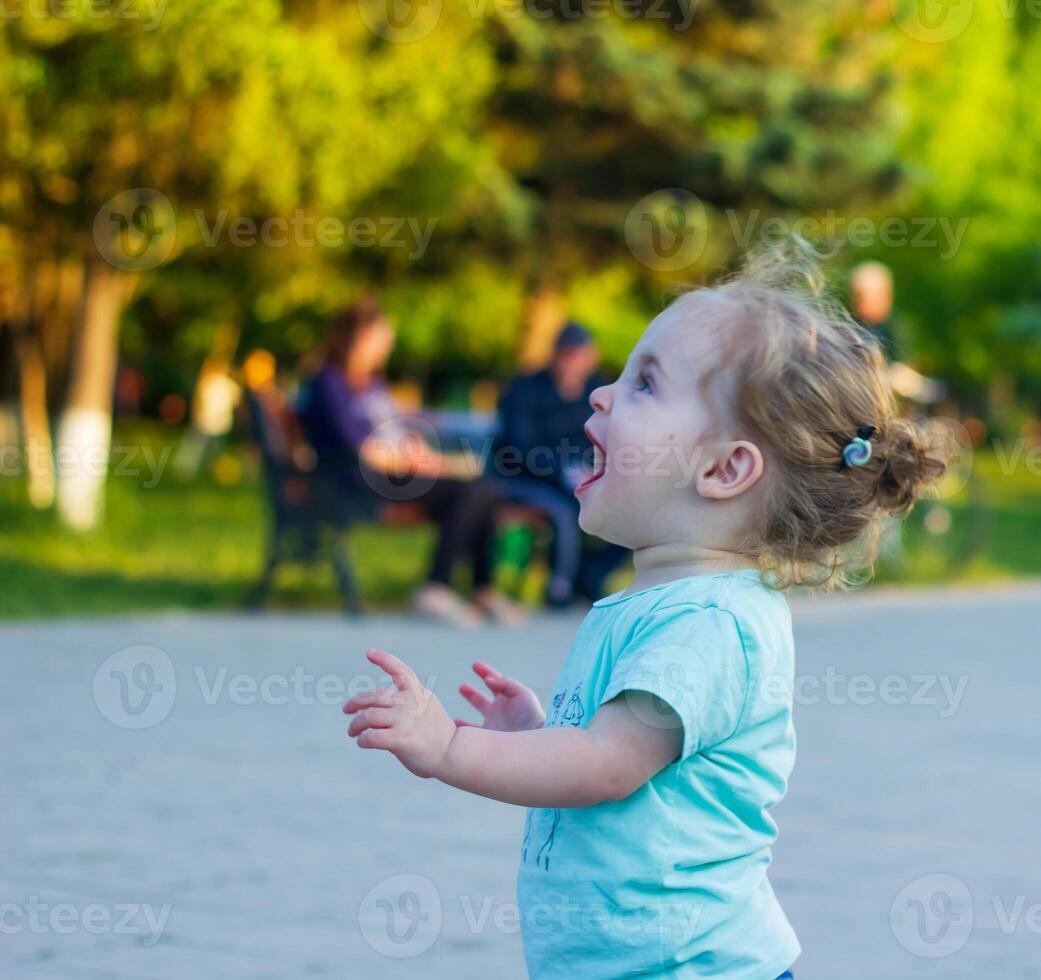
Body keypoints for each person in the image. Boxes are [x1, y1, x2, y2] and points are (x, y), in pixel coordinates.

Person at [340, 243, 946, 978]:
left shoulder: (709, 626)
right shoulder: (665, 604)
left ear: (723, 470)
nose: (601, 394)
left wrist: (449, 750)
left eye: (645, 384)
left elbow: (602, 766)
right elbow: (614, 763)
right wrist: (540, 734)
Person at [299, 297, 520, 626]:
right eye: (382, 339)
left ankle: (481, 589)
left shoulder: (371, 384)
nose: (387, 347)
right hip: (358, 484)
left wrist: (424, 456)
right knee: (471, 492)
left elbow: (395, 431)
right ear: (359, 337)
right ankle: (436, 588)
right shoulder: (329, 383)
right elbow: (360, 448)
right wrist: (416, 462)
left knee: (484, 488)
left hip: (393, 476)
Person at [492, 321, 628, 605]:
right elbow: (518, 448)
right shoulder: (525, 389)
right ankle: (560, 588)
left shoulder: (597, 392)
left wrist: (596, 468)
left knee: (629, 505)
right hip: (523, 477)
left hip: (580, 476)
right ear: (554, 356)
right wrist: (564, 471)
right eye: (567, 356)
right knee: (563, 509)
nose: (572, 365)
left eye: (580, 357)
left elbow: (606, 439)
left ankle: (590, 576)